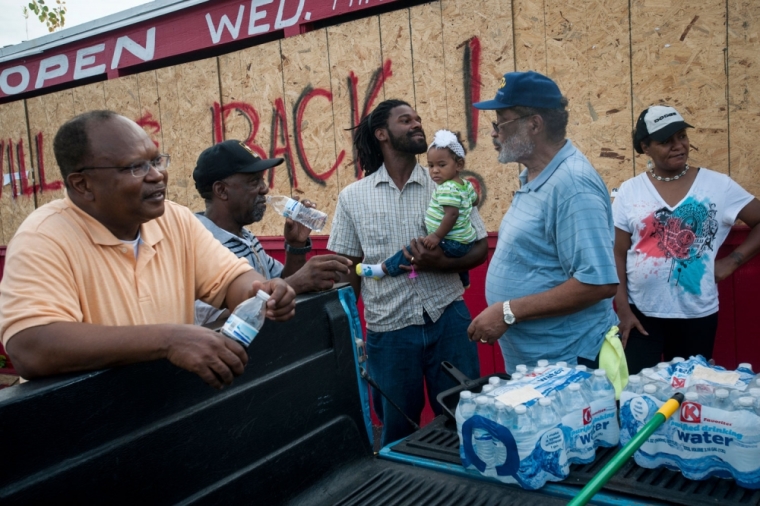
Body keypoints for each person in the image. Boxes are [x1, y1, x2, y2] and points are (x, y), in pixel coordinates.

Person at [0, 111, 296, 389]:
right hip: (87, 433)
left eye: (156, 161)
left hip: (163, 415)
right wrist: (168, 340)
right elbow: (31, 347)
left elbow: (232, 281)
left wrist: (263, 292)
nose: (157, 176)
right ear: (82, 185)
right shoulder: (43, 238)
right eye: (135, 167)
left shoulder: (174, 219)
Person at [328, 99, 488, 446]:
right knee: (397, 433)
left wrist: (440, 264)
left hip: (449, 320)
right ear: (382, 134)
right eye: (406, 120)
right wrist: (345, 335)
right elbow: (346, 272)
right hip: (389, 333)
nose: (417, 124)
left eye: (418, 118)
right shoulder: (352, 197)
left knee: (466, 423)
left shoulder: (448, 186)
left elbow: (479, 248)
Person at [467, 71, 619, 373]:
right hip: (542, 367)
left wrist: (508, 311)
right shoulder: (537, 174)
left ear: (534, 124)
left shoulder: (572, 185)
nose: (494, 133)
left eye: (501, 123)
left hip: (571, 370)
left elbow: (598, 283)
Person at [613, 105, 760, 373]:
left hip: (697, 315)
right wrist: (623, 309)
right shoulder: (629, 191)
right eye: (666, 141)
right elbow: (618, 252)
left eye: (682, 136)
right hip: (641, 316)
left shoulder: (718, 185)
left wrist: (733, 261)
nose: (678, 146)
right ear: (645, 147)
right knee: (636, 392)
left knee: (687, 395)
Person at [191, 140, 352, 325]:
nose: (265, 188)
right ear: (221, 190)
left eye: (262, 179)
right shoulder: (199, 244)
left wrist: (296, 246)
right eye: (254, 181)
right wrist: (297, 282)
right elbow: (216, 323)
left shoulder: (247, 238)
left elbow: (280, 282)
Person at [355, 129, 478, 288]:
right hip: (465, 241)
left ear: (459, 164)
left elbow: (452, 214)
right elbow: (475, 200)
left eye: (441, 165)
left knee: (414, 249)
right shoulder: (464, 184)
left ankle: (382, 269)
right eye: (431, 165)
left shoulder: (448, 188)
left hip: (452, 241)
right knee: (450, 252)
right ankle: (464, 280)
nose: (434, 170)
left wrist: (436, 236)